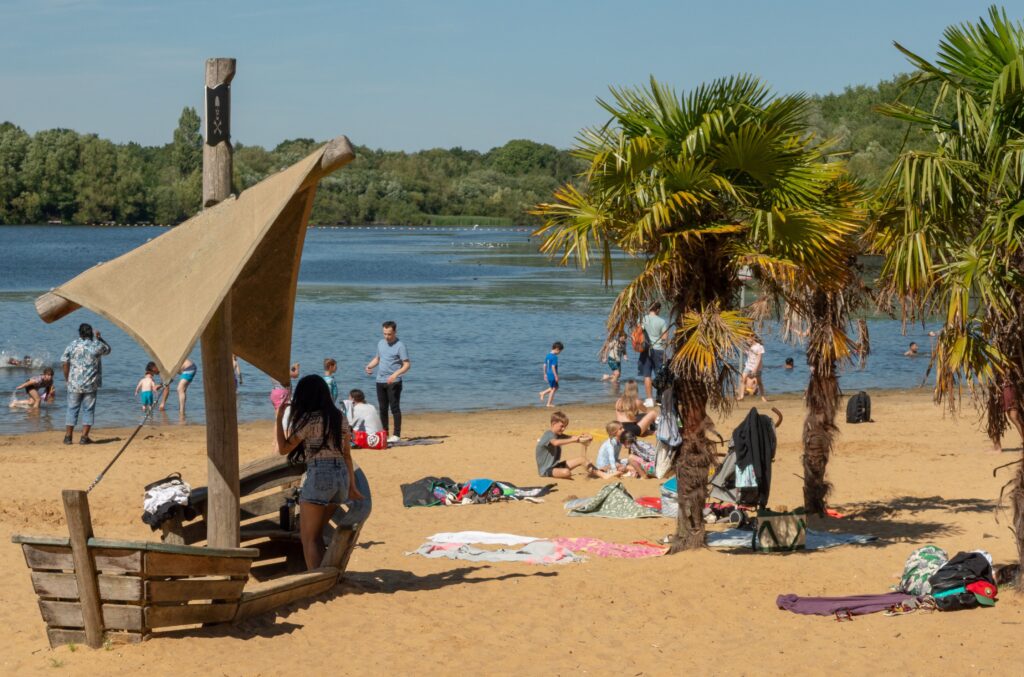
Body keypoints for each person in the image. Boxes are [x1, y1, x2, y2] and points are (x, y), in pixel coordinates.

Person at [276, 375, 362, 570]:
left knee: (309, 539)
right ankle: (326, 576)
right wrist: (352, 486)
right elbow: (347, 455)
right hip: (340, 478)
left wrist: (279, 418)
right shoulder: (339, 416)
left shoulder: (309, 420)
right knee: (316, 535)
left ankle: (316, 582)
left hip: (320, 477)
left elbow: (283, 449)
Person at [61, 323, 111, 445]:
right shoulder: (96, 345)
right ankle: (84, 437)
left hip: (74, 383)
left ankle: (68, 437)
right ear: (91, 334)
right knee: (88, 410)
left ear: (80, 333)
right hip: (91, 384)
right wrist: (99, 338)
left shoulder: (73, 345)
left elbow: (64, 362)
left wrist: (67, 378)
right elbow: (108, 350)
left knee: (72, 409)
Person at [365, 321, 410, 444]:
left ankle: (396, 434)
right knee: (382, 408)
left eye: (389, 334)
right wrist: (370, 366)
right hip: (380, 380)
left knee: (394, 408)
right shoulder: (380, 343)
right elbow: (378, 359)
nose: (386, 336)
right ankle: (384, 433)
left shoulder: (400, 346)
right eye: (384, 333)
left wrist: (396, 374)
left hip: (394, 381)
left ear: (394, 332)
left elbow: (407, 364)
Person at [535, 410, 595, 479]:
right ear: (553, 424)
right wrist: (573, 440)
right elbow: (555, 443)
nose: (563, 429)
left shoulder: (559, 435)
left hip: (556, 466)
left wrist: (588, 438)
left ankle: (597, 472)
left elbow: (576, 438)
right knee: (566, 472)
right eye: (562, 426)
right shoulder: (548, 434)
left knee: (582, 459)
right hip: (546, 470)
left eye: (565, 427)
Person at [638, 302, 669, 407]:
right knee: (660, 374)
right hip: (658, 349)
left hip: (645, 349)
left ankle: (649, 400)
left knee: (647, 375)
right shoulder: (661, 321)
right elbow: (665, 338)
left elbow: (638, 333)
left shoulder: (642, 319)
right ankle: (660, 399)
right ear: (658, 310)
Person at [992, 379, 1024, 452]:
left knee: (1013, 416)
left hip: (1009, 385)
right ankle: (997, 446)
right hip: (997, 384)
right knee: (995, 415)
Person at [738, 334, 767, 402]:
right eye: (746, 339)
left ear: (752, 338)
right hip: (748, 366)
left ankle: (763, 397)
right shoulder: (748, 346)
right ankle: (742, 396)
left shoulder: (759, 347)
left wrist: (755, 368)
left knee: (759, 382)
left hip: (757, 367)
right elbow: (747, 354)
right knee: (743, 379)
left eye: (748, 339)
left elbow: (759, 359)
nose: (747, 340)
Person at [538, 341, 563, 407]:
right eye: (560, 351)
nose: (559, 353)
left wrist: (545, 374)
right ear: (557, 349)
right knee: (553, 389)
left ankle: (543, 393)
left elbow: (544, 365)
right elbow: (553, 367)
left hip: (548, 374)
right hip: (552, 374)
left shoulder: (548, 355)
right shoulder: (554, 357)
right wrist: (556, 375)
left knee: (556, 387)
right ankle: (548, 403)